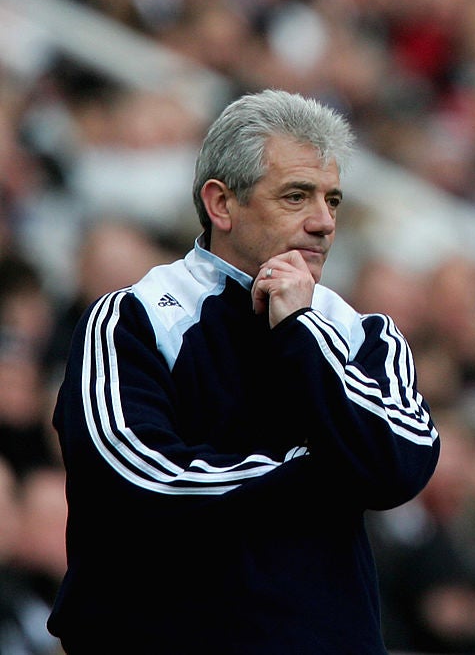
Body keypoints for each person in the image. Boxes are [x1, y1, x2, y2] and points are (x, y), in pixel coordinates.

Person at [47, 89, 441, 653]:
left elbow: (400, 466)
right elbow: (141, 481)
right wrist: (316, 471)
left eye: (333, 200)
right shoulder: (130, 318)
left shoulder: (362, 331)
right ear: (221, 205)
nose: (324, 222)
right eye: (297, 196)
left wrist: (302, 330)